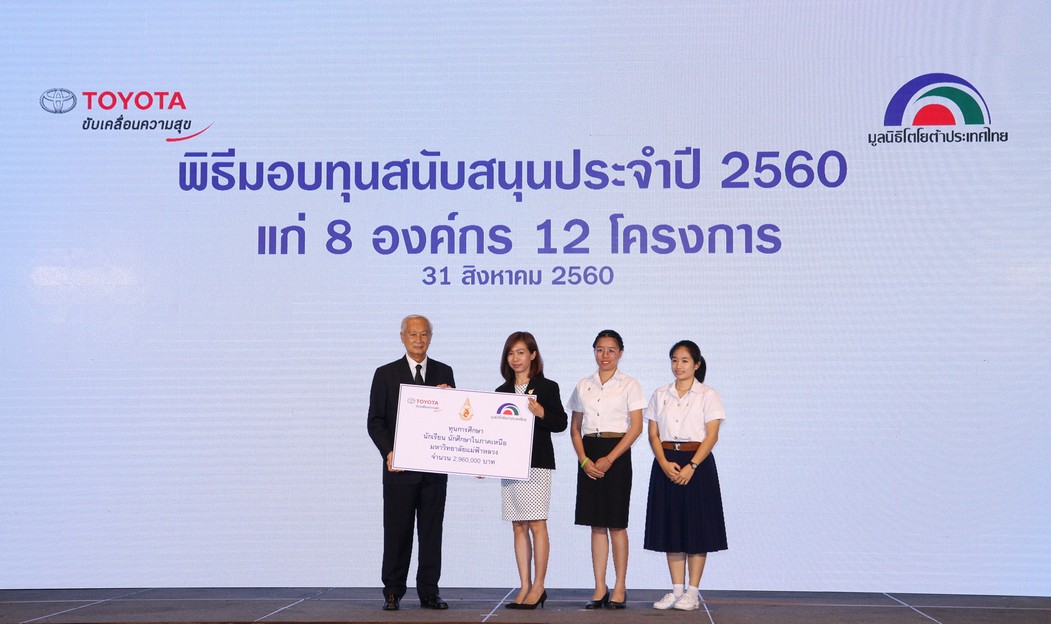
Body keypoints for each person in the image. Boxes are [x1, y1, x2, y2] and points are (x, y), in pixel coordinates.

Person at [366, 314, 456, 611]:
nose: (419, 339)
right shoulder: (385, 374)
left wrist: (450, 401)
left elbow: (453, 420)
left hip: (433, 471)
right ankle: (392, 591)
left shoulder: (444, 371)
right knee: (397, 532)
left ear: (431, 337)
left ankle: (429, 592)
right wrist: (389, 452)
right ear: (402, 337)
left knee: (431, 533)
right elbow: (375, 421)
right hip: (399, 470)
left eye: (424, 334)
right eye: (413, 334)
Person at [643, 340, 727, 611]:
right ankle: (677, 590)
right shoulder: (660, 394)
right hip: (666, 462)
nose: (678, 366)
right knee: (672, 527)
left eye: (684, 360)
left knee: (697, 527)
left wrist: (692, 465)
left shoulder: (708, 395)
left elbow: (711, 435)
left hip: (697, 464)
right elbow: (653, 434)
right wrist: (663, 462)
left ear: (697, 364)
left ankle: (692, 592)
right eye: (674, 360)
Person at [568, 329, 645, 609]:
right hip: (589, 453)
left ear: (620, 353)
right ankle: (600, 587)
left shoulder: (630, 384)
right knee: (596, 524)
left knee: (616, 524)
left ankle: (620, 586)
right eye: (600, 349)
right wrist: (584, 460)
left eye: (611, 350)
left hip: (617, 454)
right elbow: (575, 428)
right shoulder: (583, 385)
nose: (605, 355)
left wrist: (609, 459)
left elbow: (636, 427)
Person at [494, 332, 568, 610]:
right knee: (518, 525)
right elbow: (493, 432)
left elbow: (560, 423)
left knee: (537, 523)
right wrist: (483, 461)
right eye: (511, 353)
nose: (515, 358)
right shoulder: (501, 392)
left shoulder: (547, 387)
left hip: (536, 463)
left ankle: (539, 586)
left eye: (521, 352)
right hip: (510, 464)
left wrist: (541, 412)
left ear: (533, 355)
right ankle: (524, 585)